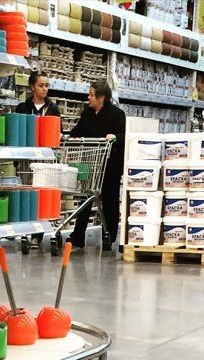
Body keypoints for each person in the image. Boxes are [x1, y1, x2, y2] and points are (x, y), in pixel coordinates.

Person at [66, 80, 126, 251]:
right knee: (85, 198)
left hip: (110, 166)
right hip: (89, 162)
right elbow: (77, 132)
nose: (88, 97)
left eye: (91, 94)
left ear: (101, 98)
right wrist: (65, 136)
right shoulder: (87, 114)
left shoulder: (117, 114)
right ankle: (78, 236)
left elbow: (125, 135)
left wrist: (115, 137)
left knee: (110, 201)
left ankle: (109, 236)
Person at [16, 72, 60, 249]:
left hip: (45, 159)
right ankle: (26, 230)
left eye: (47, 85)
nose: (44, 89)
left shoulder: (53, 108)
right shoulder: (22, 108)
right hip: (27, 158)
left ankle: (37, 235)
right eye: (41, 85)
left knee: (41, 194)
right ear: (32, 87)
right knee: (28, 194)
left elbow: (57, 131)